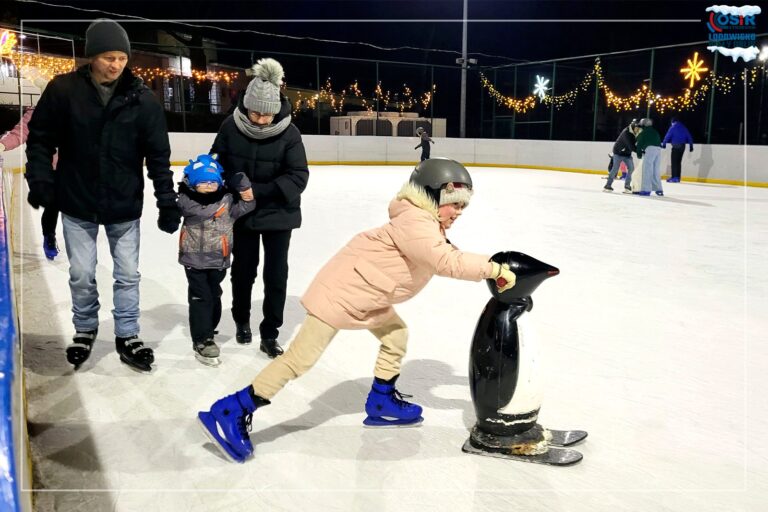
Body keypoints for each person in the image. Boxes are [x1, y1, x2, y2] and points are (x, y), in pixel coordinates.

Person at [197, 158, 518, 463]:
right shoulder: (417, 222)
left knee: (396, 334)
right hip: (343, 293)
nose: (459, 211)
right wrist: (494, 269)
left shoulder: (423, 222)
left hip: (366, 293)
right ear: (431, 195)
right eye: (455, 202)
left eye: (464, 205)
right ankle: (230, 410)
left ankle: (381, 400)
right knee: (298, 360)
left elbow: (445, 252)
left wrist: (488, 267)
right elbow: (445, 261)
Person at [25, 19, 180, 372]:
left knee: (127, 274)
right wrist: (41, 180)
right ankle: (85, 329)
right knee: (81, 272)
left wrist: (166, 200)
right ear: (92, 56)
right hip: (77, 201)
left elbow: (158, 156)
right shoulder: (64, 90)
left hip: (123, 204)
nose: (116, 64)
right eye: (109, 57)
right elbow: (40, 138)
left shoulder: (143, 100)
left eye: (122, 58)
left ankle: (128, 334)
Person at [210, 57, 309, 359]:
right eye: (255, 112)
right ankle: (241, 320)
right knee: (243, 271)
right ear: (246, 105)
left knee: (275, 275)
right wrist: (209, 181)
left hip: (279, 214)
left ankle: (270, 331)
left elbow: (298, 176)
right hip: (243, 214)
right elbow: (217, 163)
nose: (261, 120)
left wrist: (259, 191)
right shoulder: (231, 126)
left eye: (267, 114)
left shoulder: (290, 133)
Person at [177, 154, 256, 366]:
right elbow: (189, 207)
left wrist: (243, 184)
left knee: (214, 294)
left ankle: (209, 327)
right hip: (194, 260)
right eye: (203, 182)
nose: (209, 186)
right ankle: (203, 339)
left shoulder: (228, 202)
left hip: (218, 260)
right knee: (201, 297)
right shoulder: (186, 202)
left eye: (213, 181)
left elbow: (248, 205)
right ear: (191, 183)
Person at [0, 76, 60, 260]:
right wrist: (2, 145)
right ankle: (49, 236)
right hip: (48, 167)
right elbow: (21, 131)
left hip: (74, 167)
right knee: (53, 204)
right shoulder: (37, 112)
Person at [603, 119, 639, 194]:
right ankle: (607, 185)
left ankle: (627, 186)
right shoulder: (626, 133)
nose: (637, 130)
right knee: (615, 168)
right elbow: (631, 146)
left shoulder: (637, 133)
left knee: (631, 169)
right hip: (618, 152)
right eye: (636, 128)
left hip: (627, 154)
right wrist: (641, 152)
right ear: (633, 126)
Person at [633, 118, 663, 196]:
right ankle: (659, 189)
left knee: (647, 169)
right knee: (655, 169)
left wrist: (639, 154)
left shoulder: (643, 132)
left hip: (650, 150)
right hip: (658, 150)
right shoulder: (655, 131)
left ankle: (646, 190)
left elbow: (639, 144)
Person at [661, 117, 694, 183]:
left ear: (672, 122)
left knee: (674, 162)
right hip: (682, 146)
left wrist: (664, 144)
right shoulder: (684, 127)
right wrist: (691, 146)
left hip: (676, 146)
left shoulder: (673, 127)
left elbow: (668, 136)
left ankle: (674, 178)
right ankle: (677, 177)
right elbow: (689, 136)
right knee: (678, 162)